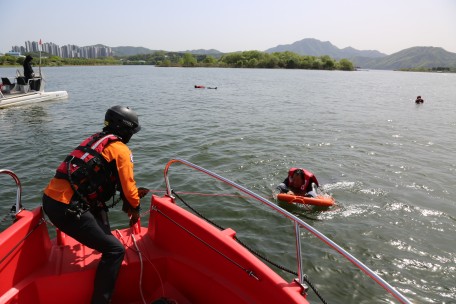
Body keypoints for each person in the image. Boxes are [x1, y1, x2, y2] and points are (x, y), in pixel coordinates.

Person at [42, 105, 149, 304]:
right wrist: (134, 206)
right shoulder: (120, 149)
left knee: (99, 210)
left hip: (51, 198)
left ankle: (103, 241)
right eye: (131, 132)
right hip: (67, 207)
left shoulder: (96, 139)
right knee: (116, 250)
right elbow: (128, 187)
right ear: (124, 130)